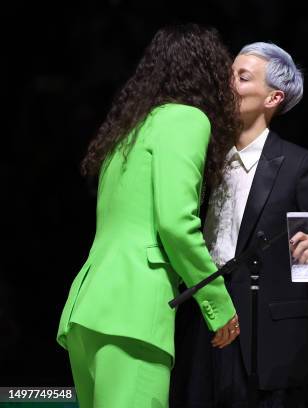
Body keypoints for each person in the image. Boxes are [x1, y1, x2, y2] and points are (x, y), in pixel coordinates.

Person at [56, 24, 241, 408]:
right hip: (135, 313)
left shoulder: (128, 129)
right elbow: (175, 223)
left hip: (89, 309)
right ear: (207, 73)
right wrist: (219, 306)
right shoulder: (188, 119)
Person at [170, 42, 308, 408]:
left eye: (242, 78)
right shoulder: (201, 155)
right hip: (200, 322)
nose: (229, 85)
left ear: (273, 98)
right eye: (228, 76)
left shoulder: (299, 164)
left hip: (265, 335)